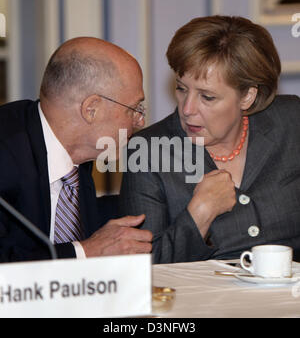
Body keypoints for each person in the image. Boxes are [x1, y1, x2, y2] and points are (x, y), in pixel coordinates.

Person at [119, 15, 300, 264]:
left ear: (247, 96)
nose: (187, 109)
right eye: (182, 89)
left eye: (207, 97)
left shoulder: (291, 122)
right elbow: (143, 268)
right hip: (205, 301)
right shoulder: (147, 152)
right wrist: (200, 214)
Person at [0, 37, 152, 262]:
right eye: (133, 109)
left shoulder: (78, 153)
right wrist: (84, 252)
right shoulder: (6, 150)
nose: (140, 122)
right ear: (91, 109)